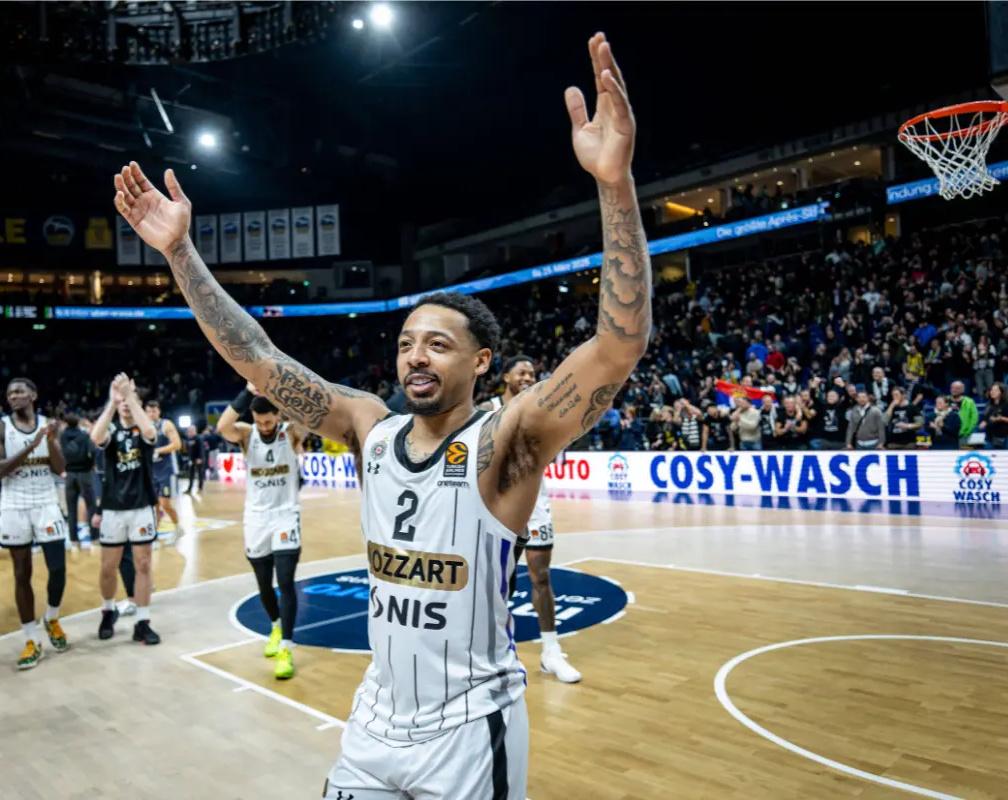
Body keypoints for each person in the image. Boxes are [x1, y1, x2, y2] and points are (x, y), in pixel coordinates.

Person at [113, 31, 649, 799]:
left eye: (438, 344)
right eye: (405, 344)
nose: (415, 357)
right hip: (371, 727)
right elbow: (258, 357)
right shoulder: (370, 428)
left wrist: (615, 184)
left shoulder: (508, 441)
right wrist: (180, 255)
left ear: (482, 363)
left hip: (470, 733)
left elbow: (618, 345)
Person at [481, 355, 581, 683]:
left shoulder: (542, 410)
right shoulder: (486, 410)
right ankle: (494, 650)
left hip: (535, 499)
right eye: (521, 372)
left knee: (542, 576)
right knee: (499, 581)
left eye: (532, 373)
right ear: (505, 377)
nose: (528, 377)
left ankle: (551, 652)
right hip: (499, 503)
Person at [217, 384, 306, 680]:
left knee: (286, 581)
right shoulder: (247, 434)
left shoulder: (290, 433)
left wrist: (280, 390)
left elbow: (310, 415)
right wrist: (246, 393)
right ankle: (275, 626)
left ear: (277, 415)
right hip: (256, 518)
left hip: (286, 515)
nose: (265, 427)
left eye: (269, 421)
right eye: (260, 422)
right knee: (264, 585)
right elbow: (223, 426)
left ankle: (286, 648)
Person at [0, 378, 69, 670]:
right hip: (14, 504)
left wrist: (50, 441)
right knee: (22, 574)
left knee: (58, 568)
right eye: (10, 393)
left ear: (33, 395)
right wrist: (33, 445)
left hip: (46, 501)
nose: (14, 396)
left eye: (20, 392)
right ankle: (31, 639)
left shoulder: (49, 425)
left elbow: (60, 468)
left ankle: (52, 617)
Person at [91, 375, 161, 645]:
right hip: (113, 508)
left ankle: (143, 621)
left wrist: (130, 396)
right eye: (120, 400)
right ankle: (108, 610)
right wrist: (112, 401)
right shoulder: (111, 430)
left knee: (143, 563)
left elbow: (150, 433)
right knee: (108, 567)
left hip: (141, 506)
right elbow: (96, 437)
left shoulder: (144, 428)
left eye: (128, 399)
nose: (124, 403)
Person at [144, 400, 184, 542]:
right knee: (153, 504)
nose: (151, 414)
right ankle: (154, 534)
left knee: (165, 504)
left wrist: (158, 450)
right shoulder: (144, 426)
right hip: (151, 471)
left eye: (154, 411)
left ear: (159, 411)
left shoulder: (166, 425)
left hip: (167, 470)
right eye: (149, 411)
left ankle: (178, 528)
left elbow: (177, 444)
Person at [61, 412, 99, 549]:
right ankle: (94, 538)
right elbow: (92, 451)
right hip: (85, 473)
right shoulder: (84, 435)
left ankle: (74, 540)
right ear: (78, 423)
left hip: (69, 473)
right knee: (91, 506)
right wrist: (91, 464)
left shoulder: (62, 436)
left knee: (71, 508)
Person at [980, 382, 1008, 449]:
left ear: (1001, 392)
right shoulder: (989, 405)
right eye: (991, 390)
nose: (992, 392)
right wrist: (983, 423)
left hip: (1007, 438)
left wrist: (1002, 419)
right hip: (990, 438)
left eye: (995, 390)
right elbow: (985, 418)